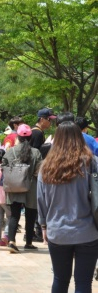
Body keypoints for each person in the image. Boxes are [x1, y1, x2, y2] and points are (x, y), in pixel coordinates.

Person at [37, 121, 98, 292]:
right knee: (84, 282)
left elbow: (41, 199)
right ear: (80, 138)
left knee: (60, 279)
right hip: (88, 231)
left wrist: (43, 225)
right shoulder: (92, 163)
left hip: (57, 231)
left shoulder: (46, 167)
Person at [2, 124, 42, 253]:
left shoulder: (10, 152)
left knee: (14, 215)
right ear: (30, 138)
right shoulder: (36, 152)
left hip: (15, 187)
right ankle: (29, 242)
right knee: (30, 216)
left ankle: (12, 241)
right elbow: (39, 171)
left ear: (18, 137)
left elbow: (3, 167)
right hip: (31, 186)